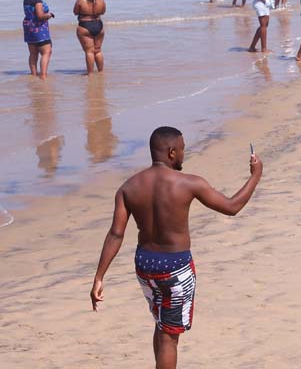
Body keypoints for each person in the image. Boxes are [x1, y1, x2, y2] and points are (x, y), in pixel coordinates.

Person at [89, 126, 263, 369]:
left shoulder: (129, 187)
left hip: (145, 266)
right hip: (175, 267)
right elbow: (232, 207)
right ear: (171, 152)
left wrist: (99, 277)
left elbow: (116, 234)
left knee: (162, 325)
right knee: (170, 337)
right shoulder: (189, 183)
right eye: (182, 149)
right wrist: (255, 176)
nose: (183, 153)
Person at [23, 0, 55, 79]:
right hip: (39, 28)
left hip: (29, 27)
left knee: (33, 53)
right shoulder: (37, 1)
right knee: (46, 52)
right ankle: (43, 76)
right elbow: (40, 15)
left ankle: (33, 74)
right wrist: (49, 15)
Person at [74, 0, 106, 75]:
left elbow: (75, 12)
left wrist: (78, 1)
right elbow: (103, 11)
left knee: (89, 51)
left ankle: (90, 74)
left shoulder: (80, 1)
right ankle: (101, 72)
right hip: (98, 24)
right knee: (98, 50)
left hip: (85, 25)